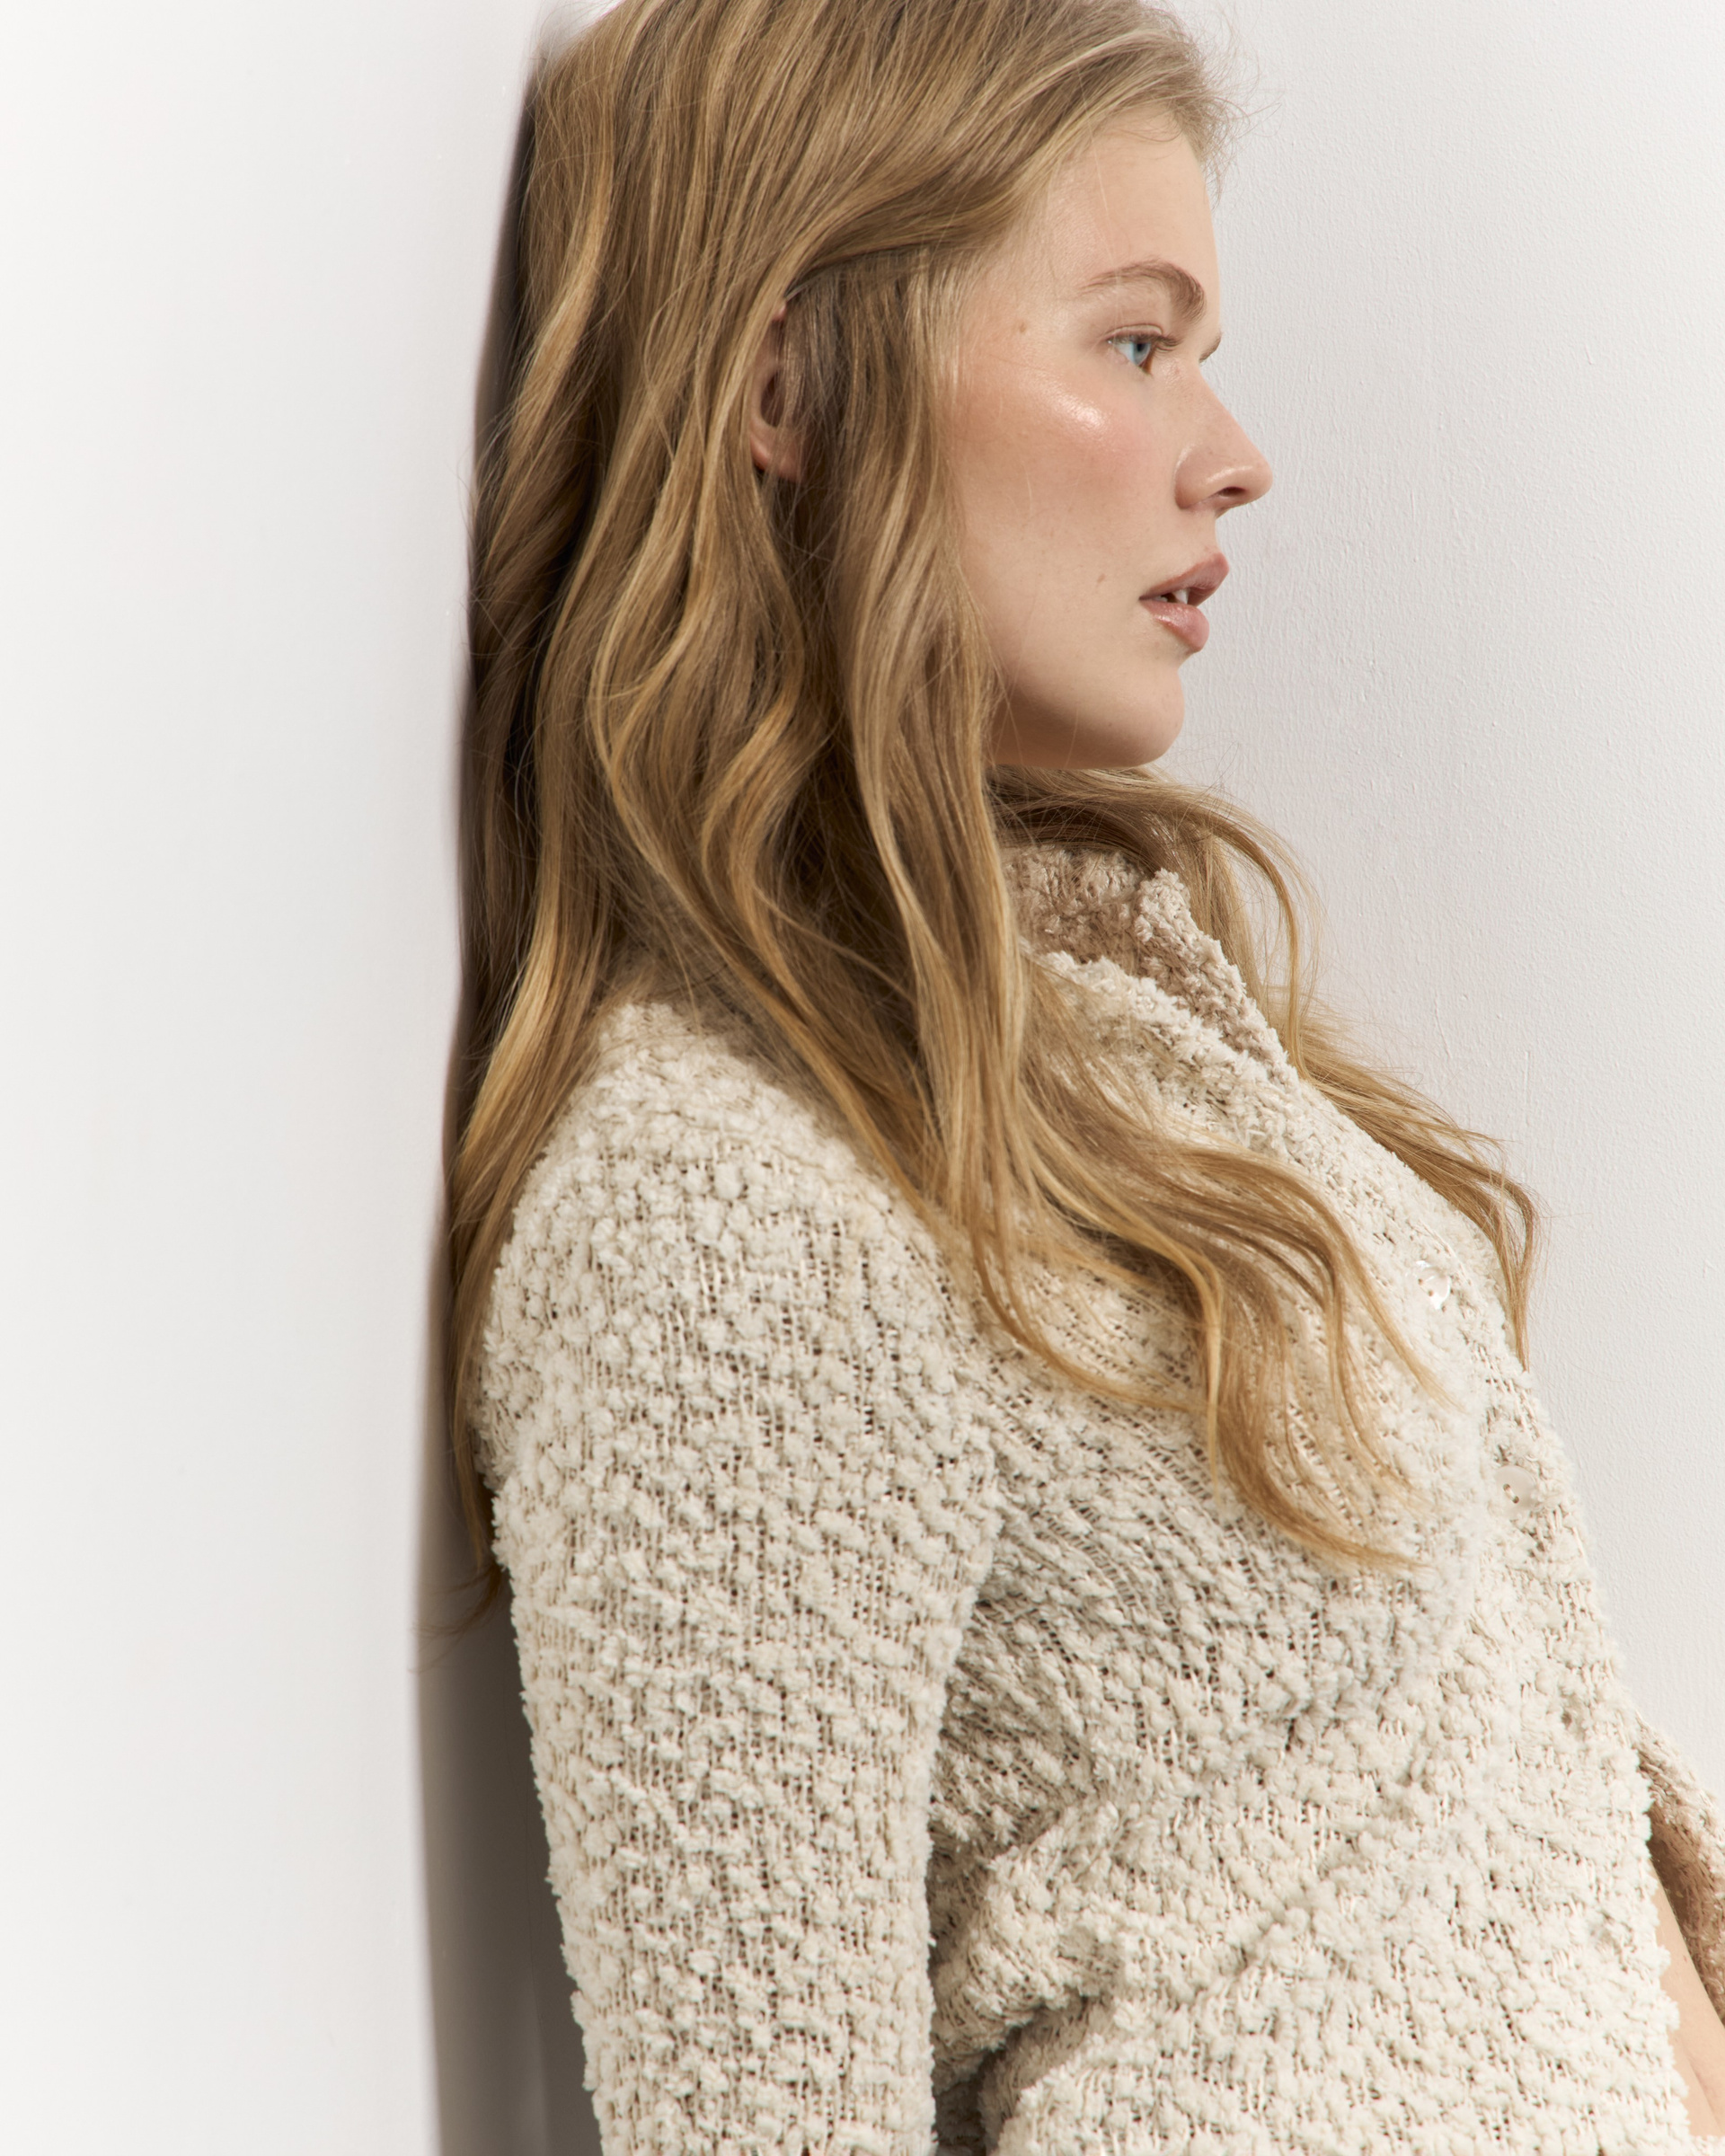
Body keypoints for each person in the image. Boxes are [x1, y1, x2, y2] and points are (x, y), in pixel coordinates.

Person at [447, 0, 1725, 2146]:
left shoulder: (1129, 1039)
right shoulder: (722, 1205)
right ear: (784, 382)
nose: (1231, 455)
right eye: (1135, 344)